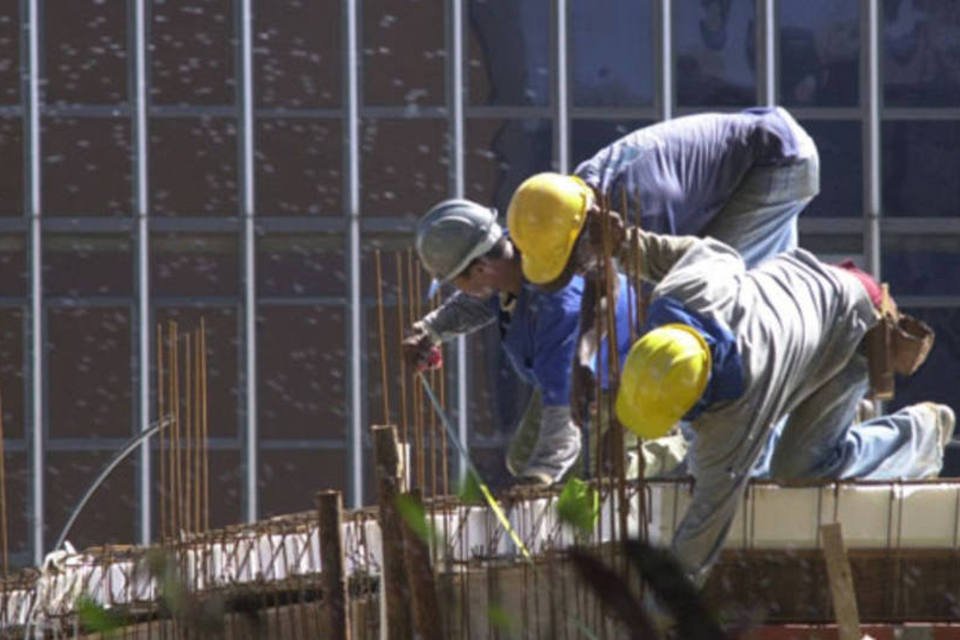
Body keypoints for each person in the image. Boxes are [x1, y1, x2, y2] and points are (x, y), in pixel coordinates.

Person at [609, 226, 951, 585]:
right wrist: (627, 245)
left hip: (854, 324)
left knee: (799, 468)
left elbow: (705, 527)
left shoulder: (742, 405)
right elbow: (711, 251)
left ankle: (920, 435)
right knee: (742, 463)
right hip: (809, 296)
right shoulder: (680, 294)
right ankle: (835, 417)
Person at [402, 199, 686, 485]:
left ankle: (670, 442)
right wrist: (430, 330)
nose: (456, 288)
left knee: (597, 471)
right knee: (521, 458)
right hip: (569, 373)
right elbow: (478, 302)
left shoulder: (558, 308)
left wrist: (539, 478)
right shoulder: (517, 253)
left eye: (455, 280)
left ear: (480, 269)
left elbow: (562, 411)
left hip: (626, 378)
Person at [506, 106, 819, 290]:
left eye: (575, 260)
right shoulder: (579, 191)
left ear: (582, 233)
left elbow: (673, 279)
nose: (579, 270)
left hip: (776, 160)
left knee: (714, 279)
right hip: (762, 151)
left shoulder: (641, 208)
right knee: (770, 279)